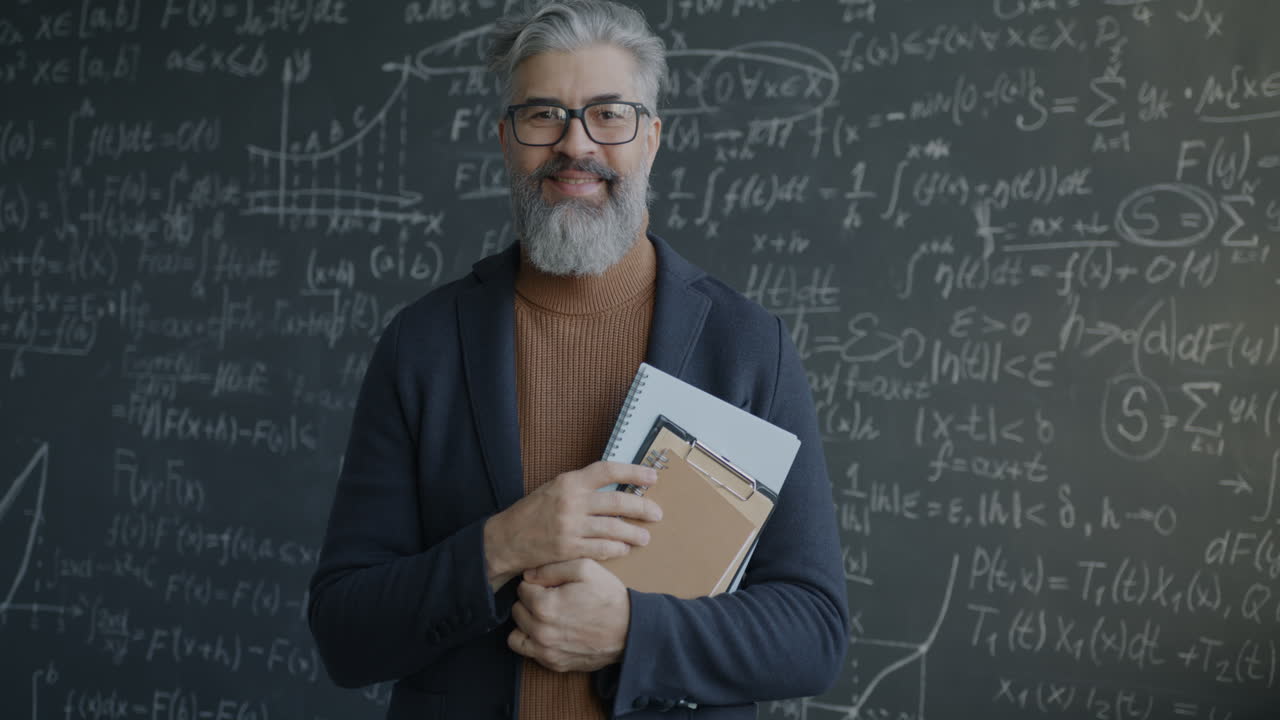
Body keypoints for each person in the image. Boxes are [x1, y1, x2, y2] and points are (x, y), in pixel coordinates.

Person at [307, 1, 849, 717]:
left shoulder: (748, 346)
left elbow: (814, 632)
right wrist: (503, 544)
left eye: (609, 114)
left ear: (651, 138)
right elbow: (344, 633)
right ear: (506, 140)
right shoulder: (423, 345)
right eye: (543, 116)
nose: (575, 144)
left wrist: (631, 631)